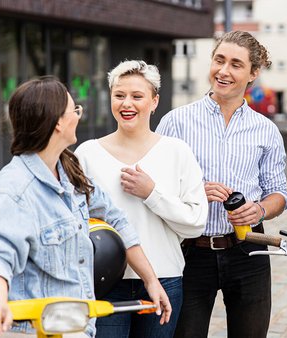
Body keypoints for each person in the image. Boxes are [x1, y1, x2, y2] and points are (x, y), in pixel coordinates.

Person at [0, 77, 171, 338]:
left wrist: (151, 280)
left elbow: (116, 220)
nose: (78, 116)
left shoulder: (70, 173)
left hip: (77, 328)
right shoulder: (13, 190)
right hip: (32, 331)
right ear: (59, 122)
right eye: (75, 110)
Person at [156, 30, 287, 337]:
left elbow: (279, 194)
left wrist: (258, 211)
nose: (223, 71)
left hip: (249, 251)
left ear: (253, 73)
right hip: (190, 251)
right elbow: (155, 188)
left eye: (236, 64)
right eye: (219, 60)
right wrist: (193, 193)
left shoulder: (265, 131)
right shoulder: (176, 122)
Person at [74, 60, 208, 337]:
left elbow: (195, 224)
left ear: (154, 101)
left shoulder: (177, 152)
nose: (127, 104)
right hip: (105, 281)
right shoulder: (87, 154)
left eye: (137, 96)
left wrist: (152, 194)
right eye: (119, 95)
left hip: (164, 277)